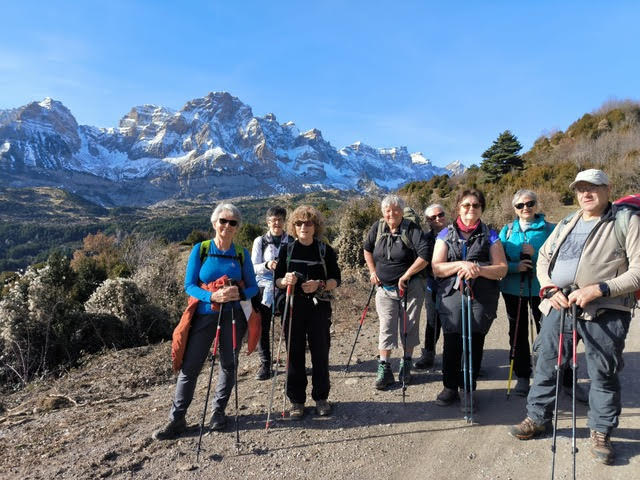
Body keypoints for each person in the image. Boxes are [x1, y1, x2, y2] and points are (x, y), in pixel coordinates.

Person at [509, 169, 640, 465]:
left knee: (602, 371)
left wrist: (599, 289)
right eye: (580, 188)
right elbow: (543, 259)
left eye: (592, 187)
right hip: (560, 305)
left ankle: (601, 431)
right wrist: (548, 288)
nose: (585, 193)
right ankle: (537, 417)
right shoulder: (568, 221)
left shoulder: (626, 221)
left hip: (605, 309)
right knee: (546, 362)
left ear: (607, 189)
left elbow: (638, 271)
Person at [152, 203, 258, 440]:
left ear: (237, 227)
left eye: (233, 222)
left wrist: (239, 293)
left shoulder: (241, 253)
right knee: (190, 367)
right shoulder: (201, 250)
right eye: (223, 221)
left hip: (233, 317)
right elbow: (189, 285)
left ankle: (218, 413)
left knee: (228, 365)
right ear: (214, 223)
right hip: (204, 316)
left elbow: (253, 288)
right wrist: (212, 296)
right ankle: (177, 419)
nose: (227, 226)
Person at [431, 189, 507, 411]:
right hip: (451, 294)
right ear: (458, 208)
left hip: (482, 295)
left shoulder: (490, 235)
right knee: (452, 340)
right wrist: (461, 265)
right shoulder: (445, 234)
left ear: (482, 208)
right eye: (466, 205)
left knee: (475, 341)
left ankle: (468, 389)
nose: (471, 209)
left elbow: (501, 269)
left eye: (476, 205)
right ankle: (449, 387)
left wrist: (478, 269)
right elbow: (437, 268)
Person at [274, 205, 341, 419]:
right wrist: (285, 280)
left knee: (320, 352)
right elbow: (277, 280)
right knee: (294, 354)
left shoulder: (324, 250)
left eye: (308, 223)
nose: (304, 227)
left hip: (318, 307)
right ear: (293, 226)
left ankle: (321, 398)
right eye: (299, 223)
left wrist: (319, 284)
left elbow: (336, 279)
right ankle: (297, 401)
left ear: (315, 226)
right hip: (293, 307)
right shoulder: (287, 250)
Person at [363, 194, 432, 390]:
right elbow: (367, 249)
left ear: (402, 211)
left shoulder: (411, 229)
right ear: (383, 212)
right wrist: (372, 271)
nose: (391, 214)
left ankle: (406, 364)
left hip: (410, 288)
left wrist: (407, 275)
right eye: (387, 210)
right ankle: (384, 368)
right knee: (386, 326)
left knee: (408, 326)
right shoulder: (378, 228)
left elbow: (425, 255)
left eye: (395, 210)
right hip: (384, 289)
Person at [499, 190, 554, 396]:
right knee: (517, 332)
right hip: (513, 289)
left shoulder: (550, 229)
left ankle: (547, 373)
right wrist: (516, 267)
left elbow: (560, 257)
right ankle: (522, 375)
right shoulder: (507, 230)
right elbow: (499, 259)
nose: (526, 208)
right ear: (514, 209)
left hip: (543, 289)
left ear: (536, 204)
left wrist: (536, 253)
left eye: (530, 203)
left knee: (547, 331)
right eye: (520, 205)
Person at [251, 206, 293, 380]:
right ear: (268, 222)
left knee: (289, 324)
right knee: (263, 326)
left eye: (280, 219)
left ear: (284, 221)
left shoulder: (291, 240)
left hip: (285, 285)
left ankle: (293, 362)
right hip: (264, 287)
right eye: (273, 220)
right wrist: (267, 265)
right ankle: (265, 364)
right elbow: (253, 267)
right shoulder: (260, 241)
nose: (277, 223)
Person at [415, 203, 447, 370]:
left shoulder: (456, 234)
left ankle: (454, 356)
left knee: (454, 323)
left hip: (454, 287)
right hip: (432, 286)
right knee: (432, 321)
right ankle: (428, 354)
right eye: (433, 217)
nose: (438, 219)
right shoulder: (426, 239)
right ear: (428, 221)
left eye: (440, 214)